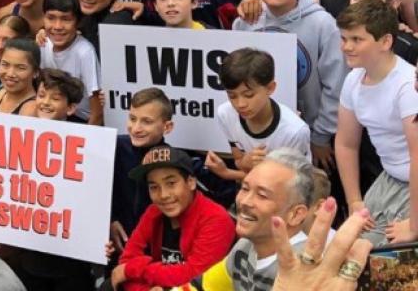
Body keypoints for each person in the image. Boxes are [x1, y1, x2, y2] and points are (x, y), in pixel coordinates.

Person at [233, 0, 346, 173]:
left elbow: (336, 85)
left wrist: (321, 136)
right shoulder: (245, 22)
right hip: (257, 134)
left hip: (309, 134)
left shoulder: (323, 24)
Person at [334, 0, 418, 245]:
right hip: (390, 176)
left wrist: (414, 226)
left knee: (383, 254)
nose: (347, 47)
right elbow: (346, 143)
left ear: (386, 41)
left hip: (412, 181)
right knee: (348, 241)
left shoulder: (408, 87)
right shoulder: (353, 79)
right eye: (344, 38)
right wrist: (354, 201)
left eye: (357, 39)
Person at [114, 145, 236, 291]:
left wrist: (133, 269)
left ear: (191, 182)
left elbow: (196, 276)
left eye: (171, 183)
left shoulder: (216, 219)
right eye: (154, 187)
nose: (163, 195)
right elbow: (126, 259)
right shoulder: (154, 211)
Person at [205, 49, 313, 183]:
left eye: (249, 95)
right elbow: (239, 160)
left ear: (270, 88)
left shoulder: (294, 131)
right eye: (232, 96)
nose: (240, 104)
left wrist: (229, 173)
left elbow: (294, 184)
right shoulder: (225, 114)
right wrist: (245, 162)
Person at [218, 149, 318, 291]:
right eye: (245, 188)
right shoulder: (245, 246)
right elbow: (204, 286)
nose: (244, 202)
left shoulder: (304, 271)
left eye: (262, 195)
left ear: (296, 214)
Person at [110, 88, 174, 253]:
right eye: (132, 119)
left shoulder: (173, 160)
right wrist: (110, 220)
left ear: (167, 127)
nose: (136, 128)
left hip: (155, 250)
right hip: (117, 245)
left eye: (147, 121)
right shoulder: (112, 146)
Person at [40, 0, 99, 122]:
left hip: (80, 120)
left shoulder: (85, 52)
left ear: (78, 22)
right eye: (51, 18)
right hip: (51, 115)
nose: (57, 26)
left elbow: (97, 112)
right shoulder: (43, 43)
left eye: (66, 19)